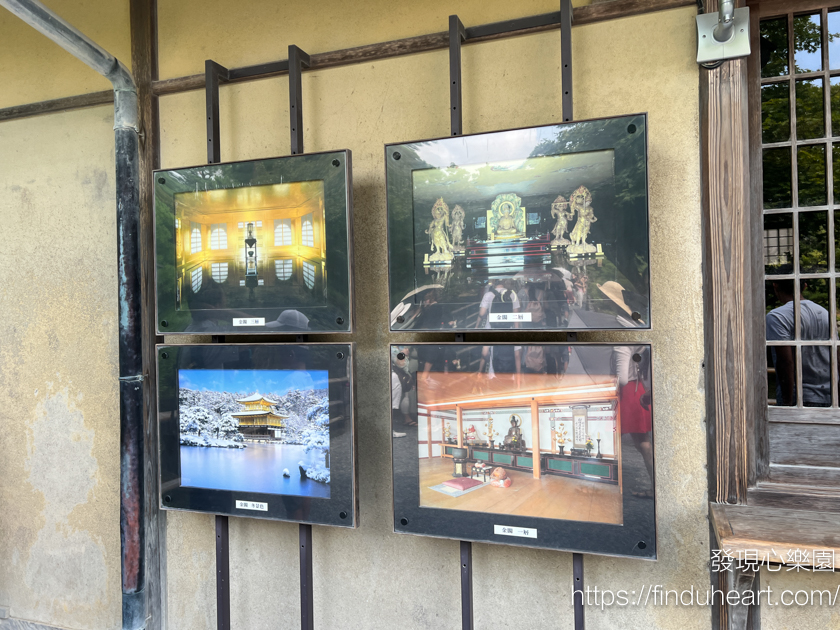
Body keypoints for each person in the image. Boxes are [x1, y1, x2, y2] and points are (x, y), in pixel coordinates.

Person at [766, 278, 831, 406]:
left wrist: (787, 403)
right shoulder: (824, 313)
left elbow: (786, 362)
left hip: (800, 397)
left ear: (775, 286)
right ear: (805, 286)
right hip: (828, 396)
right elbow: (837, 357)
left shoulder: (777, 316)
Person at [613, 345, 653, 498]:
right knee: (643, 442)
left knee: (611, 438)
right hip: (638, 388)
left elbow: (622, 378)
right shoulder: (637, 343)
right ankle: (656, 486)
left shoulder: (621, 346)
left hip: (625, 394)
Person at [391, 347, 416, 430]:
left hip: (397, 376)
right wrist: (402, 353)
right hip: (393, 376)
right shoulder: (393, 348)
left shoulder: (398, 347)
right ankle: (391, 430)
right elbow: (401, 364)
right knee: (392, 403)